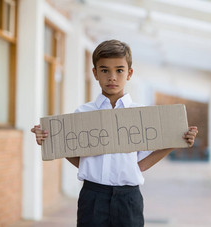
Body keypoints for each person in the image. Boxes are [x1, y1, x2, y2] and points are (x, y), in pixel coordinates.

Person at [31, 39, 198, 227]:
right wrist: (49, 140)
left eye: (119, 70)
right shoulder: (83, 114)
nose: (112, 77)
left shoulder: (141, 115)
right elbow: (74, 152)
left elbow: (140, 165)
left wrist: (177, 141)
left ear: (129, 73)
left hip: (129, 199)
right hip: (92, 197)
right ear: (95, 73)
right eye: (104, 70)